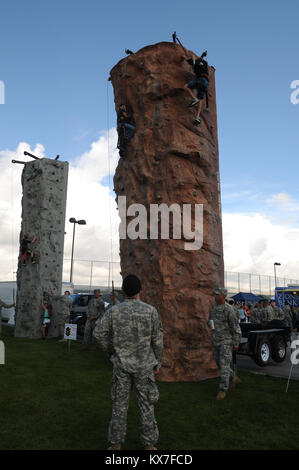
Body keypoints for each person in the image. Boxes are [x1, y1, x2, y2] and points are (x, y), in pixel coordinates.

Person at [94, 274, 163, 451]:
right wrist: (157, 362)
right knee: (146, 405)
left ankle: (115, 443)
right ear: (140, 290)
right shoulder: (150, 311)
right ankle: (149, 445)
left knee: (119, 405)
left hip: (122, 366)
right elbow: (158, 341)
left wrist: (112, 352)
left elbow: (98, 334)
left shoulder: (114, 311)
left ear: (123, 291)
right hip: (144, 366)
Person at [208, 287, 242, 400]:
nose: (215, 296)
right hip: (215, 340)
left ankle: (223, 389)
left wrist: (236, 342)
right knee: (219, 363)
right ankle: (234, 377)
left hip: (226, 341)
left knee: (224, 364)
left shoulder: (229, 309)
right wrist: (209, 323)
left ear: (223, 296)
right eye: (215, 294)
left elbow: (236, 327)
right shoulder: (214, 307)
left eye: (217, 294)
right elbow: (210, 319)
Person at [183, 51, 209, 126]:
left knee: (186, 86)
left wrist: (185, 57)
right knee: (200, 99)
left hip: (200, 79)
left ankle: (194, 99)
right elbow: (200, 59)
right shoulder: (204, 64)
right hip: (206, 83)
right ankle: (197, 117)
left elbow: (185, 58)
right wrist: (202, 55)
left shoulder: (194, 62)